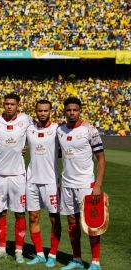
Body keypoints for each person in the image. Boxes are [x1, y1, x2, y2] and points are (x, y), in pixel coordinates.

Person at [57, 97, 105, 270]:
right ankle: (76, 258)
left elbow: (101, 159)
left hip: (86, 184)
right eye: (68, 110)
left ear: (80, 110)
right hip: (68, 184)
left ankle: (95, 262)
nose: (71, 113)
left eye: (75, 110)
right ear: (64, 111)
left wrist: (97, 184)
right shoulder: (60, 130)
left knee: (92, 224)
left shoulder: (90, 130)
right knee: (72, 222)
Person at [0, 93, 33, 263]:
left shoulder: (26, 119)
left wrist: (28, 145)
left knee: (19, 213)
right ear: (3, 104)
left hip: (18, 175)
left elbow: (41, 131)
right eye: (7, 104)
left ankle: (19, 250)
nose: (9, 107)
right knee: (0, 212)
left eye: (12, 104)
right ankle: (1, 249)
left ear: (18, 105)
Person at [25, 100, 62, 267]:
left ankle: (52, 254)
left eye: (45, 111)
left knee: (54, 218)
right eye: (39, 111)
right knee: (33, 217)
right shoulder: (29, 129)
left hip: (51, 181)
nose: (42, 113)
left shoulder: (57, 129)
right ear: (36, 111)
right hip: (31, 180)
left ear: (50, 112)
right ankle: (39, 253)